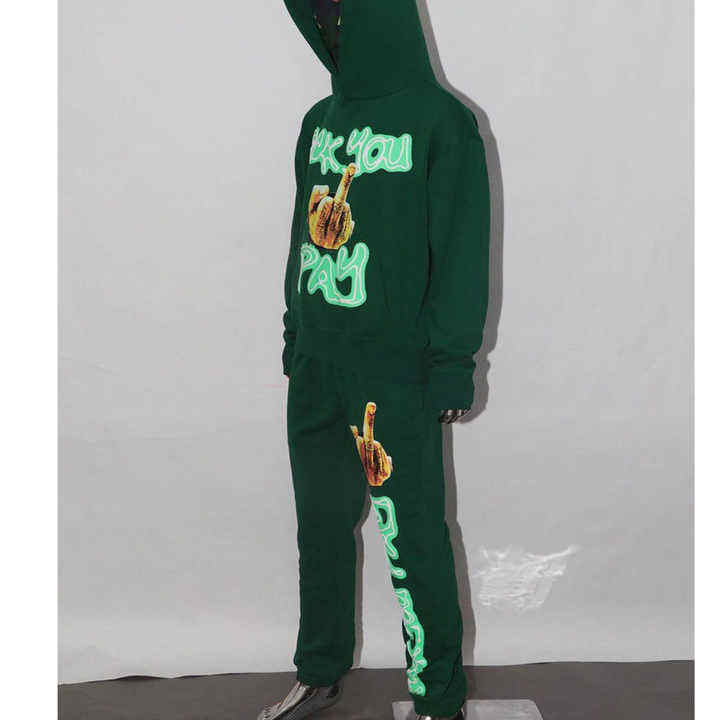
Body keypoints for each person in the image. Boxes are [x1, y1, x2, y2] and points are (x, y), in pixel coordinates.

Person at [258, 1, 490, 718]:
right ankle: (319, 670)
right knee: (320, 527)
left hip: (395, 374)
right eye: (320, 17)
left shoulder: (441, 122)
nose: (331, 30)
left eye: (342, 13)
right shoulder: (318, 123)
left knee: (411, 533)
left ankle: (438, 697)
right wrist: (295, 334)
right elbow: (301, 234)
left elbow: (461, 251)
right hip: (317, 369)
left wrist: (452, 363)